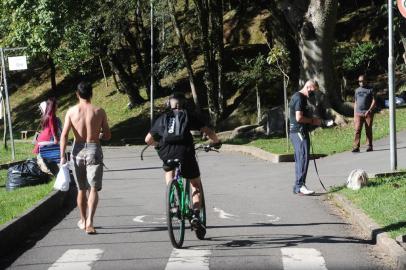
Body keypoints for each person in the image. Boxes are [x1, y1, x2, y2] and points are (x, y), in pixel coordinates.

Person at [144, 92, 221, 233]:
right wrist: (216, 142)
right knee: (195, 184)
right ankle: (196, 216)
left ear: (169, 105)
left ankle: (172, 195)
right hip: (185, 153)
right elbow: (208, 131)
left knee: (169, 170)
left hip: (166, 153)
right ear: (184, 105)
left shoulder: (162, 118)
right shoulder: (188, 116)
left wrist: (158, 146)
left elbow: (148, 139)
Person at [60, 81, 111, 234]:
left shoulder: (71, 111)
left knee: (81, 189)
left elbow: (64, 135)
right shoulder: (99, 111)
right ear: (91, 93)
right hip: (94, 148)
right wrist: (100, 134)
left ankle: (82, 220)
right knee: (94, 188)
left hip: (77, 150)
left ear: (77, 94)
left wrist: (62, 156)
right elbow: (108, 135)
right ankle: (90, 221)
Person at [288, 80, 321, 195]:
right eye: (313, 91)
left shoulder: (299, 97)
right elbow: (298, 118)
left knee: (300, 158)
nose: (313, 93)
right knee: (303, 157)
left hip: (297, 132)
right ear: (308, 87)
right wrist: (313, 121)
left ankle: (297, 186)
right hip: (299, 132)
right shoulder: (299, 98)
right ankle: (300, 185)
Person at [352, 75, 376, 152]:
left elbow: (374, 101)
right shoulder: (357, 90)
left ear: (365, 80)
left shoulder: (370, 89)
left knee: (368, 130)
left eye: (362, 81)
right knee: (357, 130)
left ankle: (369, 146)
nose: (361, 82)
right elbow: (355, 102)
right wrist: (355, 113)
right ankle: (356, 147)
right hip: (358, 113)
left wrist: (369, 110)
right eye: (359, 81)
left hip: (368, 113)